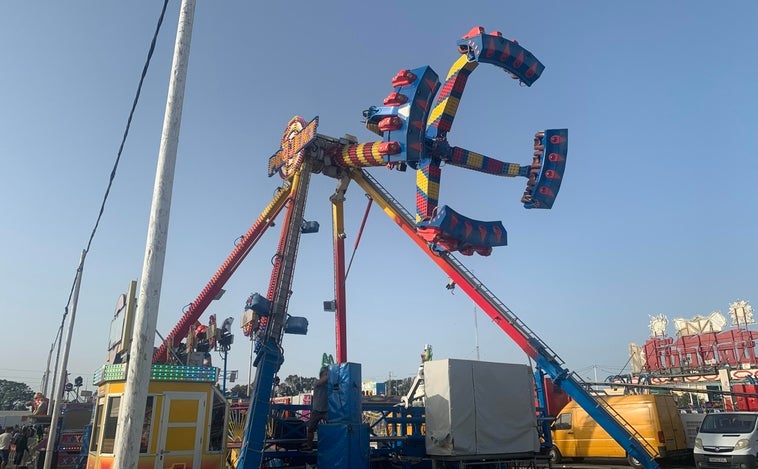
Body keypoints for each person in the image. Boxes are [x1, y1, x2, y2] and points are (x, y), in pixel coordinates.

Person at [303, 366, 329, 450]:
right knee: (311, 428)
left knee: (333, 426)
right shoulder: (317, 382)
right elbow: (324, 380)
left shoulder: (329, 384)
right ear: (322, 375)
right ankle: (309, 446)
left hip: (326, 410)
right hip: (317, 410)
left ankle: (331, 444)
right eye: (326, 374)